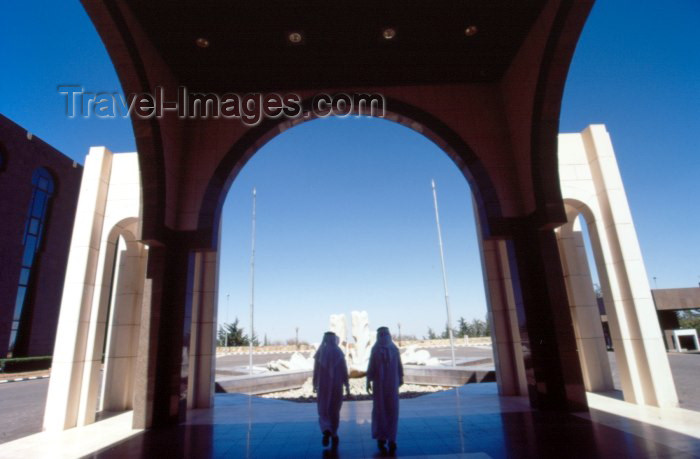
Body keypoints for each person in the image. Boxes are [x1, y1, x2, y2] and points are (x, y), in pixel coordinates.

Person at [366, 326, 404, 454]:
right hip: (389, 386)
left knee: (381, 411)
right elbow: (399, 366)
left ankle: (383, 438)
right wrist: (401, 378)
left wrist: (368, 381)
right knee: (391, 411)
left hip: (381, 386)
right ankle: (391, 439)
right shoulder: (393, 349)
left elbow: (371, 367)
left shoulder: (376, 349)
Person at [313, 331, 350, 449]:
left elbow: (316, 370)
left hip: (323, 385)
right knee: (335, 410)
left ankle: (326, 429)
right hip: (337, 386)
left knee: (323, 408)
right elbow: (344, 370)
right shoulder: (339, 352)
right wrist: (347, 385)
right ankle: (334, 433)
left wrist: (314, 384)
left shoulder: (320, 352)